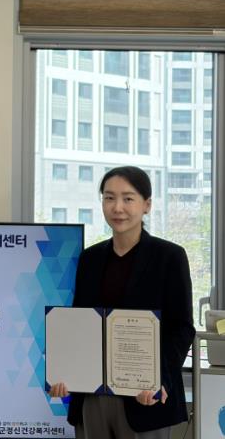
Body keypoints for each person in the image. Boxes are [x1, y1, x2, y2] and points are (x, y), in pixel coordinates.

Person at [49, 166, 195, 439]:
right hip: (92, 396)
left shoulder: (169, 257)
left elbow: (182, 327)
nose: (117, 207)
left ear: (146, 205)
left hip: (145, 398)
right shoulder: (90, 259)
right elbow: (80, 325)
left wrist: (158, 379)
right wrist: (65, 372)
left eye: (128, 198)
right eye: (109, 198)